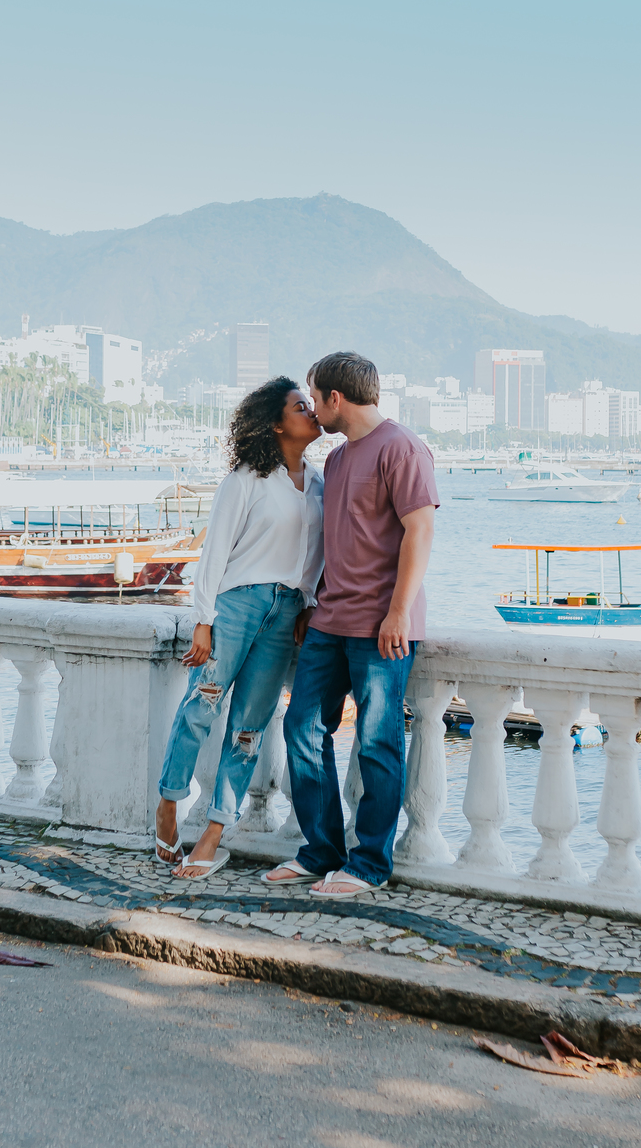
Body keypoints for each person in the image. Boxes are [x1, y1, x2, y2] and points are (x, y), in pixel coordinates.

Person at [266, 350, 437, 896]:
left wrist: (398, 612)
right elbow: (336, 540)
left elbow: (420, 533)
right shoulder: (338, 460)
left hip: (383, 626)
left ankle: (368, 865)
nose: (314, 409)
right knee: (302, 728)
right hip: (330, 618)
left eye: (316, 398)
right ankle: (321, 850)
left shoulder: (402, 448)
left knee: (376, 743)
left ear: (336, 398)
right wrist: (314, 602)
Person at [154, 376, 325, 880]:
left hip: (286, 612)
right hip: (236, 607)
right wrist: (203, 619)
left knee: (249, 728)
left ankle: (212, 834)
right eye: (300, 406)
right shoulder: (247, 478)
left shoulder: (319, 483)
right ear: (276, 423)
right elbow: (215, 552)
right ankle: (168, 803)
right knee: (200, 709)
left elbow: (315, 555)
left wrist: (310, 603)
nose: (312, 412)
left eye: (311, 405)